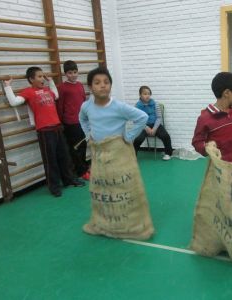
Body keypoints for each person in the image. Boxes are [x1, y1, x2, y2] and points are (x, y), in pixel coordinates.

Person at [79, 67, 150, 237]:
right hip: (99, 155)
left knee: (123, 187)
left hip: (120, 154)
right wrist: (88, 134)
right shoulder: (86, 106)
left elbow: (142, 118)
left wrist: (129, 136)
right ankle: (106, 222)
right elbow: (82, 119)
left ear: (110, 85)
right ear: (90, 87)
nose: (102, 86)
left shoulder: (119, 106)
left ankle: (128, 223)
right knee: (104, 188)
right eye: (97, 83)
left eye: (106, 82)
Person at [4, 67, 84, 197]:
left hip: (57, 128)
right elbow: (14, 102)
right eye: (39, 76)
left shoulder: (47, 90)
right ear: (31, 79)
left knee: (64, 157)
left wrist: (51, 81)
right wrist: (8, 87)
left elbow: (56, 95)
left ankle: (69, 180)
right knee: (50, 160)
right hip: (45, 131)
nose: (42, 79)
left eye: (43, 76)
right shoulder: (29, 92)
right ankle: (54, 187)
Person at [57, 60, 90, 180]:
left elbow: (83, 102)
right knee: (75, 148)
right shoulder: (62, 87)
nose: (73, 75)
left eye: (75, 72)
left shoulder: (80, 85)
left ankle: (84, 167)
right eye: (70, 73)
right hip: (70, 122)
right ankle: (81, 171)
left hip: (82, 121)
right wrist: (61, 122)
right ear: (65, 74)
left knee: (83, 145)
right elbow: (60, 106)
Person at [133, 86, 173, 160]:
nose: (147, 96)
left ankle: (168, 153)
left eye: (149, 94)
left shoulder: (155, 103)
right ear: (140, 95)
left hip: (155, 124)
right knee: (138, 139)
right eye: (145, 94)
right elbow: (136, 120)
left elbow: (158, 117)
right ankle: (133, 155)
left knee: (166, 136)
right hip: (142, 125)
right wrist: (146, 127)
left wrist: (154, 128)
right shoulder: (137, 106)